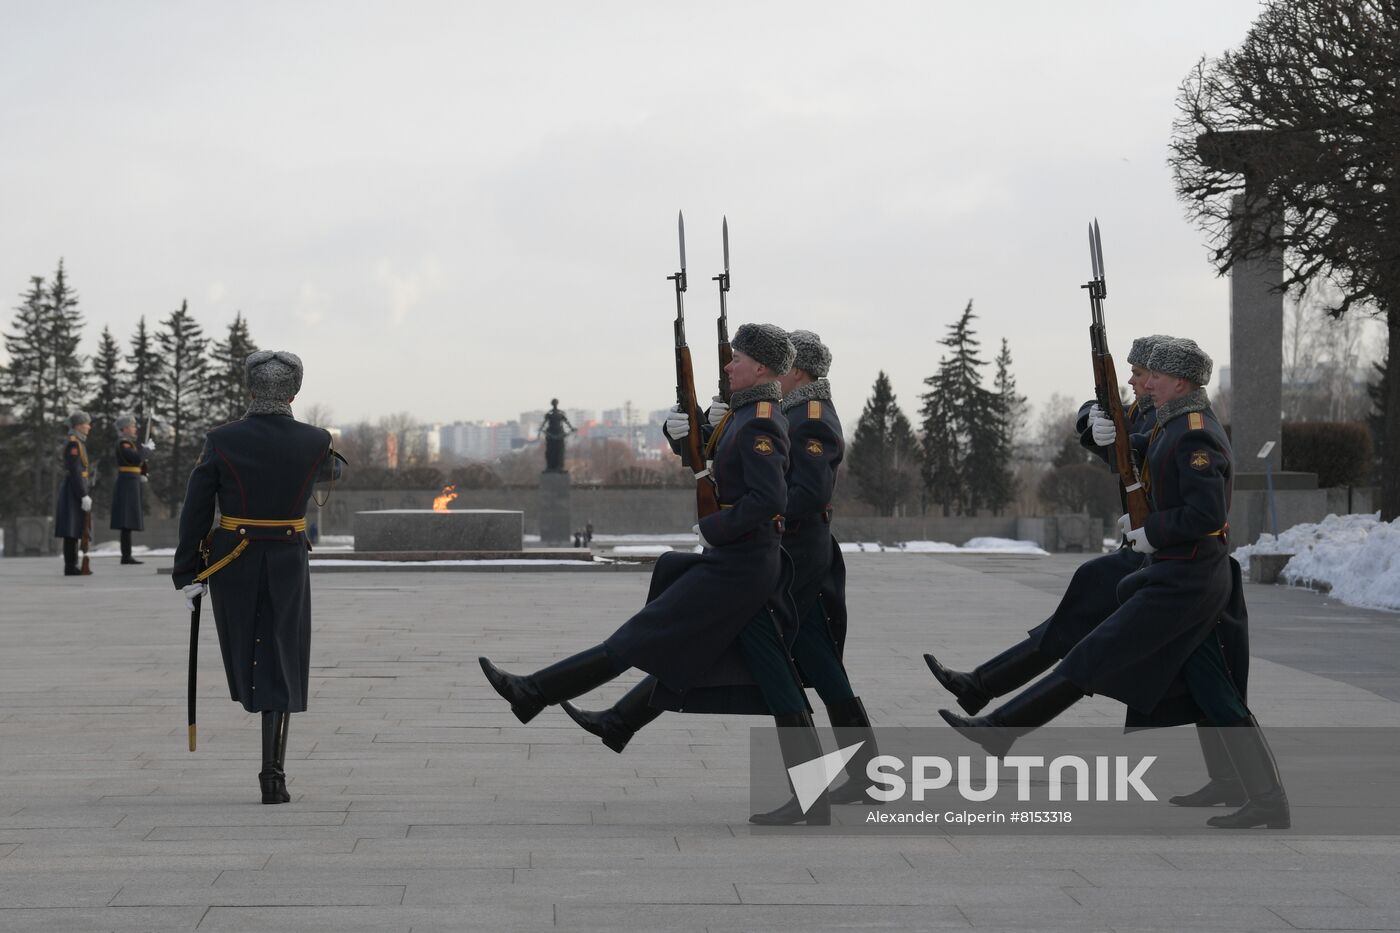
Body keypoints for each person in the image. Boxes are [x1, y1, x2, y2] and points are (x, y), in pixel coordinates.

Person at [480, 324, 832, 825]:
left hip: (740, 566)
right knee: (778, 682)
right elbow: (710, 463)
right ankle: (812, 799)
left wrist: (715, 526)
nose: (728, 366)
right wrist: (687, 434)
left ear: (762, 368)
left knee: (642, 637)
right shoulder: (748, 414)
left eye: (737, 359)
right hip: (745, 564)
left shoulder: (760, 421)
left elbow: (769, 499)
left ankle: (534, 691)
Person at [938, 338, 1287, 830]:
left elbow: (1206, 514)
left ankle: (1001, 728)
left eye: (1154, 379)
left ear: (1181, 383)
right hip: (1176, 572)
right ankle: (1267, 797)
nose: (1142, 384)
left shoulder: (1194, 434)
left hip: (1185, 576)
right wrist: (1096, 429)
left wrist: (1151, 532)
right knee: (1216, 690)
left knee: (1095, 654)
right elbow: (1133, 448)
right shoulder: (1169, 425)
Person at [561, 329, 879, 821]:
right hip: (778, 551)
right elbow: (719, 462)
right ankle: (864, 776)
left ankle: (622, 720)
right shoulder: (778, 411)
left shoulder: (810, 418)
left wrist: (749, 516)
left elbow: (802, 494)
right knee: (815, 660)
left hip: (793, 550)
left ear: (798, 372)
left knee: (722, 639)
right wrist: (688, 433)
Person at [923, 334, 1167, 714]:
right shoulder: (1146, 409)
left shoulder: (1173, 419)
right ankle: (983, 692)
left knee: (1085, 639)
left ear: (1161, 375)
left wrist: (1124, 440)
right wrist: (1092, 419)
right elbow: (1105, 418)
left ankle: (987, 699)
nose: (1134, 382)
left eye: (1139, 374)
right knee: (1076, 630)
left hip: (1162, 557)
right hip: (1144, 552)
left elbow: (1147, 450)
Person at [170, 351, 344, 805]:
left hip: (233, 561)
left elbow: (196, 508)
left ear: (250, 389)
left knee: (250, 653)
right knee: (283, 656)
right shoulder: (316, 440)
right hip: (287, 559)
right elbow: (332, 472)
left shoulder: (222, 440)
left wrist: (187, 571)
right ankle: (274, 772)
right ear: (294, 391)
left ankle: (272, 768)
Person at [109, 413, 156, 565]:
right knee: (126, 521)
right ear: (124, 428)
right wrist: (146, 450)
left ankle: (127, 555)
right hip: (127, 483)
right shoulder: (124, 443)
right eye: (132, 426)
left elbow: (138, 462)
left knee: (128, 521)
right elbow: (136, 458)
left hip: (132, 482)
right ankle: (126, 555)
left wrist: (143, 472)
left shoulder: (130, 443)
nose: (135, 429)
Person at [54, 411, 93, 576]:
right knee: (71, 528)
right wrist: (83, 494)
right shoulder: (73, 444)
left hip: (77, 487)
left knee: (77, 527)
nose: (89, 427)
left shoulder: (79, 442)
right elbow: (75, 471)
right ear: (77, 426)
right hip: (73, 488)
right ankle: (70, 565)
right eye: (86, 424)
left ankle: (73, 564)